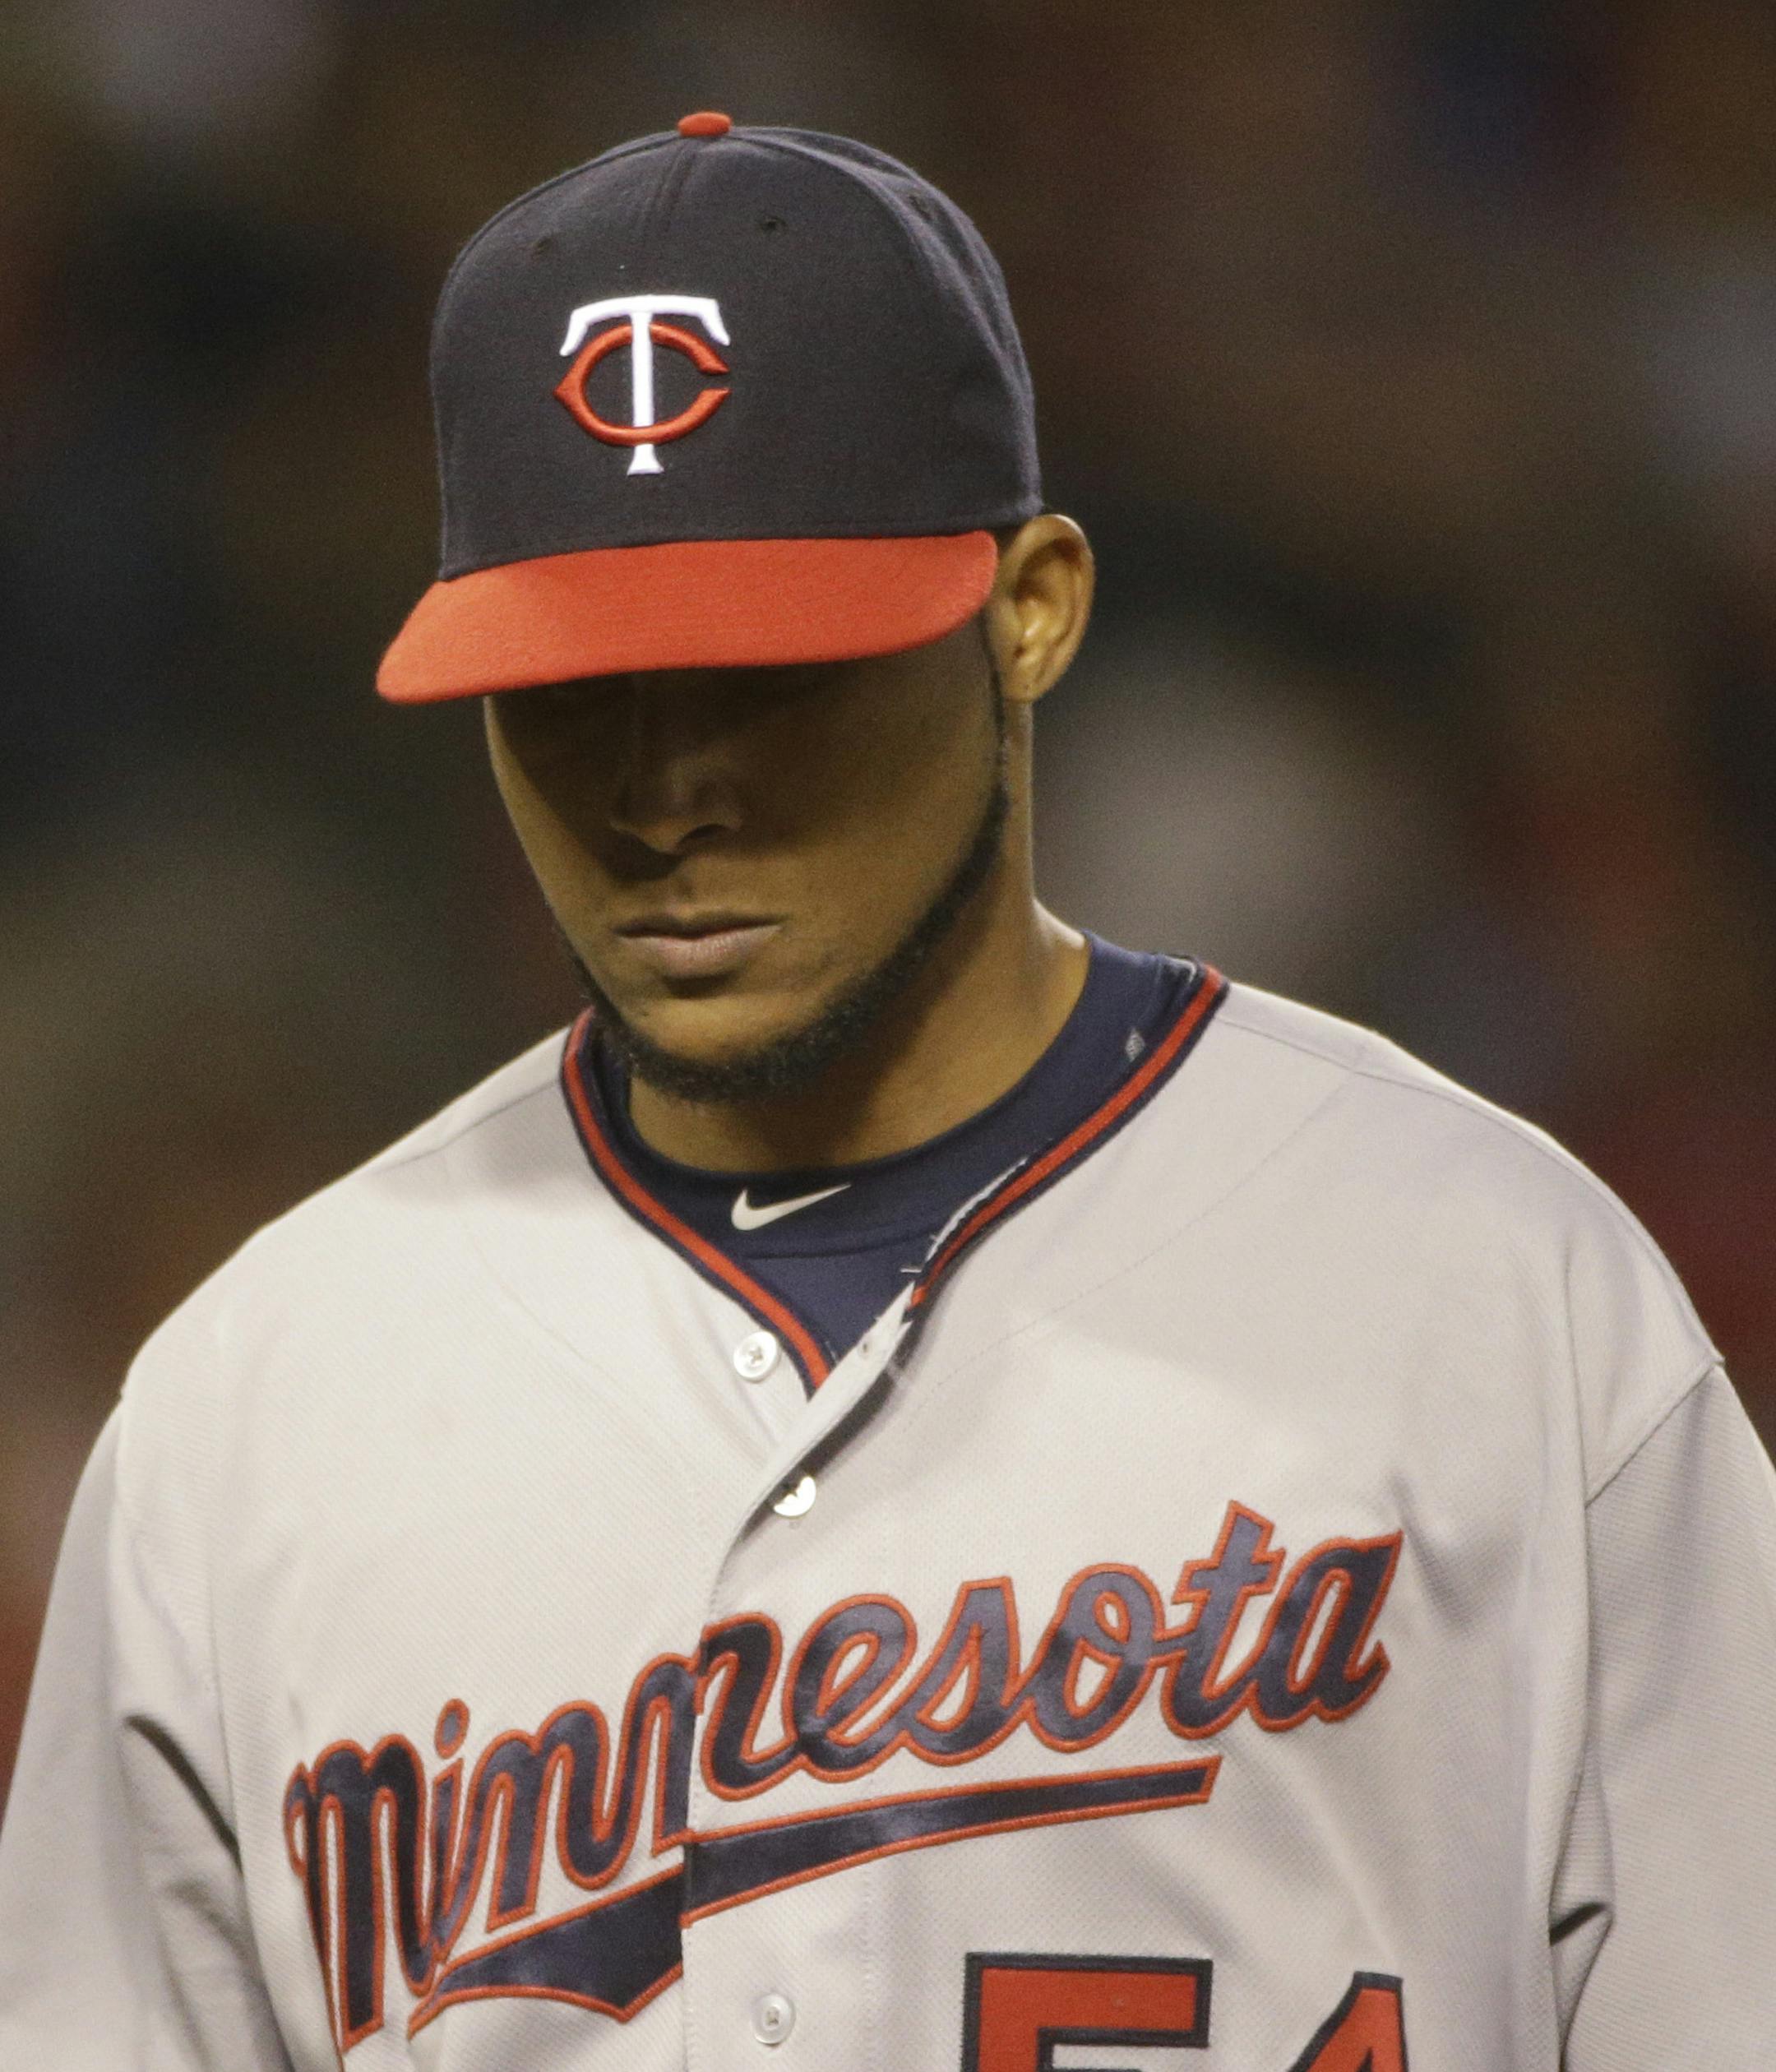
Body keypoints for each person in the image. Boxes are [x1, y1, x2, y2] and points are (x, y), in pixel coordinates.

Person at [2, 112, 1773, 2072]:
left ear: (1028, 608)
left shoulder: (1499, 1298)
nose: (668, 792)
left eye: (771, 677)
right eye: (575, 693)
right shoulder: (250, 1414)